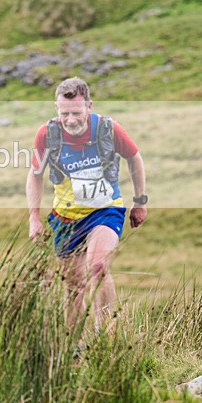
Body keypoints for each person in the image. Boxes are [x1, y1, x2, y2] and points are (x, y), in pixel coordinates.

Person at [26, 77, 147, 331]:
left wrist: (139, 201)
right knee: (73, 286)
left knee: (98, 265)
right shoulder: (47, 134)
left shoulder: (108, 129)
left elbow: (134, 158)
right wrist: (33, 217)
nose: (70, 120)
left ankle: (108, 337)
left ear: (89, 106)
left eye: (77, 113)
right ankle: (75, 348)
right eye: (64, 113)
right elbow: (35, 174)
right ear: (56, 109)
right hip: (65, 218)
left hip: (105, 211)